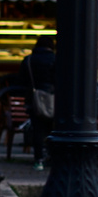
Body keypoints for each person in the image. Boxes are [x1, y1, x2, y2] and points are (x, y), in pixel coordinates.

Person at [20, 35, 57, 171]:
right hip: (53, 99)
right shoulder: (55, 59)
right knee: (53, 129)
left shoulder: (28, 60)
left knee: (37, 129)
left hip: (34, 99)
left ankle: (38, 158)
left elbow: (22, 80)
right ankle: (52, 156)